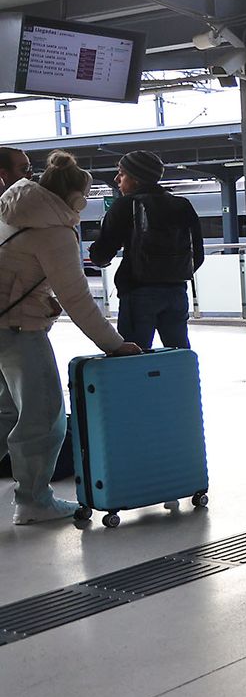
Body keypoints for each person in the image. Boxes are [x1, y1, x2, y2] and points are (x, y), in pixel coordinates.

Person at [0, 151, 141, 525]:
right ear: (76, 198)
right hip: (16, 329)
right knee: (44, 416)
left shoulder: (12, 209)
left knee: (6, 414)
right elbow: (77, 296)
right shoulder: (53, 230)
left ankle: (31, 495)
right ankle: (34, 502)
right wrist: (113, 344)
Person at [87, 150, 204, 350]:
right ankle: (182, 382)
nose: (117, 179)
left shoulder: (125, 205)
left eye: (121, 174)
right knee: (179, 353)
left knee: (134, 355)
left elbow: (102, 254)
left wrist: (96, 253)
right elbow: (198, 255)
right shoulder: (182, 205)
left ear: (136, 178)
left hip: (137, 293)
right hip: (177, 293)